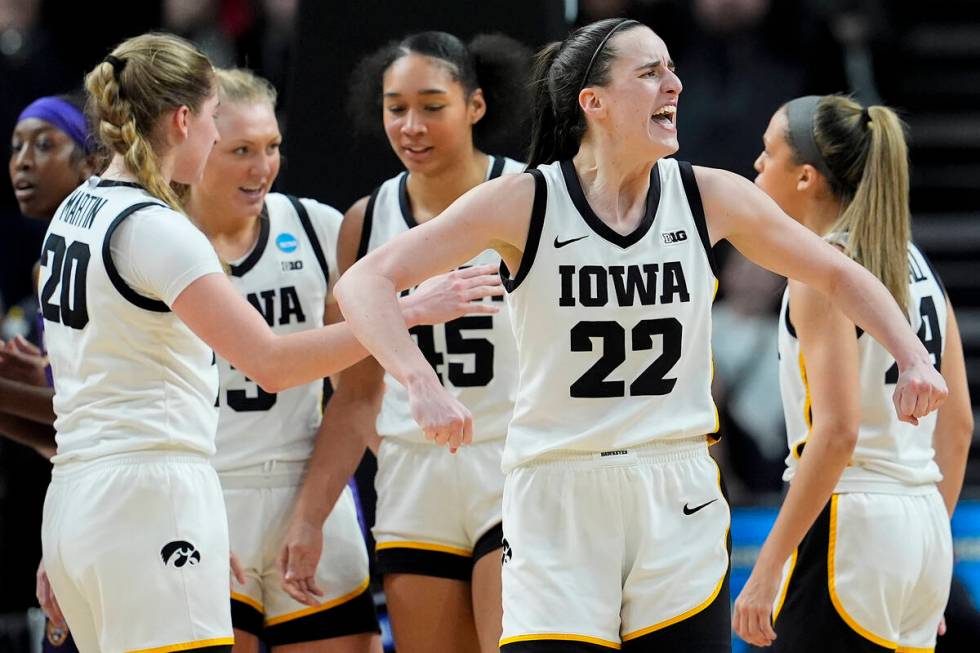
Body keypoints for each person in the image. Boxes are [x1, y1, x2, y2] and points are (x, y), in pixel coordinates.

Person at [333, 18, 948, 653]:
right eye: (650, 73)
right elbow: (364, 283)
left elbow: (838, 273)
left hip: (675, 487)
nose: (674, 85)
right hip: (557, 489)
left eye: (672, 70)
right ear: (593, 103)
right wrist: (420, 381)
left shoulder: (708, 195)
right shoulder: (525, 200)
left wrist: (912, 356)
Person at [38, 33, 501, 653]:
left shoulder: (76, 211)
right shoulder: (158, 230)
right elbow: (274, 363)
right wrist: (408, 310)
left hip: (82, 496)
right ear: (183, 120)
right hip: (153, 495)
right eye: (215, 126)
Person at [277, 31, 528, 653]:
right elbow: (355, 392)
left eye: (432, 105)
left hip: (514, 458)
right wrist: (314, 511)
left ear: (475, 105)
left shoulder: (530, 197)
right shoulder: (366, 221)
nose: (411, 125)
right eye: (396, 107)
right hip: (415, 473)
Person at [733, 95, 973, 652]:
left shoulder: (822, 272)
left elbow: (836, 433)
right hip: (923, 525)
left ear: (807, 178)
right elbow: (957, 428)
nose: (757, 166)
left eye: (769, 153)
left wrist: (767, 567)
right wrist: (929, 544)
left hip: (850, 525)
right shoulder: (917, 263)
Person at [185, 67, 383, 653]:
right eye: (241, 150)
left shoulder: (317, 226)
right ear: (196, 144)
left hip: (309, 488)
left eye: (271, 147)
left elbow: (357, 391)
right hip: (204, 496)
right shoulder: (160, 239)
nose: (262, 167)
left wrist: (312, 514)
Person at [1, 93, 98, 455]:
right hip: (85, 476)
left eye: (44, 145)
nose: (23, 162)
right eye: (16, 147)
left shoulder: (106, 257)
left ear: (90, 163)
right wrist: (39, 377)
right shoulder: (44, 270)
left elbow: (102, 414)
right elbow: (66, 444)